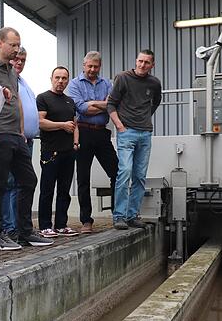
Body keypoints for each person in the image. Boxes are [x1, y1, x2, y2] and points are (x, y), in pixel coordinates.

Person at [0, 28, 53, 250]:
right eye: (13, 45)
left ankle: (25, 232)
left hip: (16, 135)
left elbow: (17, 103)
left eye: (18, 45)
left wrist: (22, 129)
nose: (16, 49)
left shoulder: (12, 72)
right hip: (0, 134)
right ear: (0, 43)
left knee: (29, 180)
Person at [107, 50, 162, 230]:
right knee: (124, 172)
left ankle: (132, 215)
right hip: (126, 132)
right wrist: (120, 126)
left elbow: (155, 102)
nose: (142, 65)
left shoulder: (154, 83)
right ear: (135, 60)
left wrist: (145, 118)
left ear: (152, 65)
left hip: (145, 133)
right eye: (140, 61)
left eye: (146, 62)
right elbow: (111, 104)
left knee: (139, 176)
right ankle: (119, 216)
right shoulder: (123, 78)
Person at [65, 51, 118, 234]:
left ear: (100, 66)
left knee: (116, 173)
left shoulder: (107, 84)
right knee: (83, 178)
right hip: (83, 132)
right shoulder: (74, 84)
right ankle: (86, 220)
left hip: (102, 134)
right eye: (89, 66)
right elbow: (81, 108)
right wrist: (101, 105)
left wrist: (92, 104)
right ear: (83, 65)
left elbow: (112, 106)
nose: (92, 69)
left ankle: (117, 215)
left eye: (96, 66)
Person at [0, 47, 41, 239]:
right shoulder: (4, 80)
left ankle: (20, 226)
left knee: (23, 183)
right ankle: (9, 227)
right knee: (8, 183)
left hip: (26, 139)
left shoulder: (23, 82)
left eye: (23, 60)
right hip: (12, 138)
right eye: (16, 59)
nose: (19, 63)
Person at [37, 67, 80, 237]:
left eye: (64, 78)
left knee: (64, 190)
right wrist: (62, 125)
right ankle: (45, 225)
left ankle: (61, 224)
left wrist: (76, 143)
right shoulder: (43, 98)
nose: (61, 81)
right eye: (58, 77)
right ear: (51, 78)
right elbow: (41, 122)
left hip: (68, 151)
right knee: (47, 190)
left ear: (68, 80)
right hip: (50, 152)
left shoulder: (70, 101)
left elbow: (75, 124)